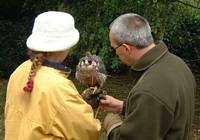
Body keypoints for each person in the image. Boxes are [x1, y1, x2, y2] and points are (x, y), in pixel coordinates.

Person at [4, 11, 101, 140]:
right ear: (67, 46)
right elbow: (88, 132)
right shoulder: (59, 87)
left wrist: (77, 104)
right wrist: (109, 121)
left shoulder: (20, 71)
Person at [100, 13, 196, 140]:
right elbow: (164, 112)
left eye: (114, 49)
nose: (115, 53)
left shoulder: (148, 91)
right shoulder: (178, 64)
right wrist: (123, 107)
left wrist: (112, 124)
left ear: (126, 48)